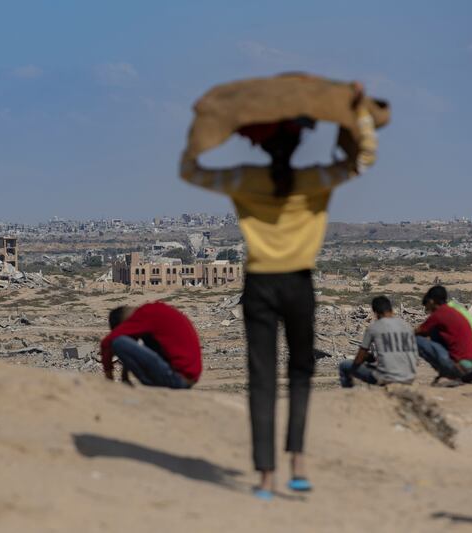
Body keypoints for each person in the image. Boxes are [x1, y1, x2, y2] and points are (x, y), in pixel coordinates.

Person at [180, 82, 377, 499]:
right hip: (298, 284)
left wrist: (201, 124)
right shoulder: (314, 179)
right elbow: (362, 160)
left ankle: (266, 475)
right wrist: (358, 111)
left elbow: (191, 171)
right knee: (302, 371)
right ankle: (298, 462)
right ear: (298, 142)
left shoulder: (245, 178)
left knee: (261, 377)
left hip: (259, 284)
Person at [100, 301, 201, 389]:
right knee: (142, 342)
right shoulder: (153, 312)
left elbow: (106, 343)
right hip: (188, 379)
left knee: (119, 342)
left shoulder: (143, 315)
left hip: (176, 378)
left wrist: (109, 376)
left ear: (123, 322)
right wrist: (124, 377)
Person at [339, 296, 417, 388]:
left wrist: (363, 360)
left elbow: (359, 359)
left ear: (375, 312)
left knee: (344, 365)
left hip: (386, 377)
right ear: (391, 309)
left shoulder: (374, 327)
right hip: (409, 376)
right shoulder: (406, 326)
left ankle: (348, 394)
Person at [415, 286, 472, 385]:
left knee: (416, 340)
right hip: (471, 366)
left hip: (460, 368)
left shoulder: (439, 314)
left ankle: (447, 374)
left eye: (427, 305)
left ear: (432, 301)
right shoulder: (453, 311)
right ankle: (447, 373)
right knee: (435, 333)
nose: (427, 309)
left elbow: (418, 331)